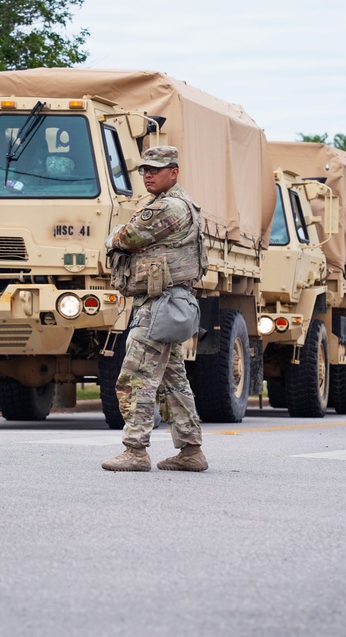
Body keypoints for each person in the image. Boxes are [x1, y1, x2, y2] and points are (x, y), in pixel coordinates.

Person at [101, 145, 208, 472]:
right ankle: (191, 451)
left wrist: (112, 237)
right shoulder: (175, 204)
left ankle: (135, 451)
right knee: (174, 380)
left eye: (156, 169)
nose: (148, 174)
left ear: (173, 173)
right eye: (145, 169)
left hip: (159, 304)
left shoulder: (169, 208)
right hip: (169, 301)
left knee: (135, 376)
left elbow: (128, 236)